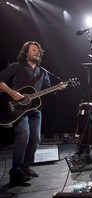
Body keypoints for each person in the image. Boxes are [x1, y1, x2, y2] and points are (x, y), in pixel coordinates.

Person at [0, 41, 66, 187]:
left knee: (35, 138)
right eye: (33, 50)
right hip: (16, 109)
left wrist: (58, 88)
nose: (37, 52)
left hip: (35, 109)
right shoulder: (16, 66)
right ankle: (15, 173)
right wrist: (12, 92)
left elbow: (48, 88)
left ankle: (26, 167)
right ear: (26, 52)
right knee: (24, 135)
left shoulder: (43, 72)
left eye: (38, 50)